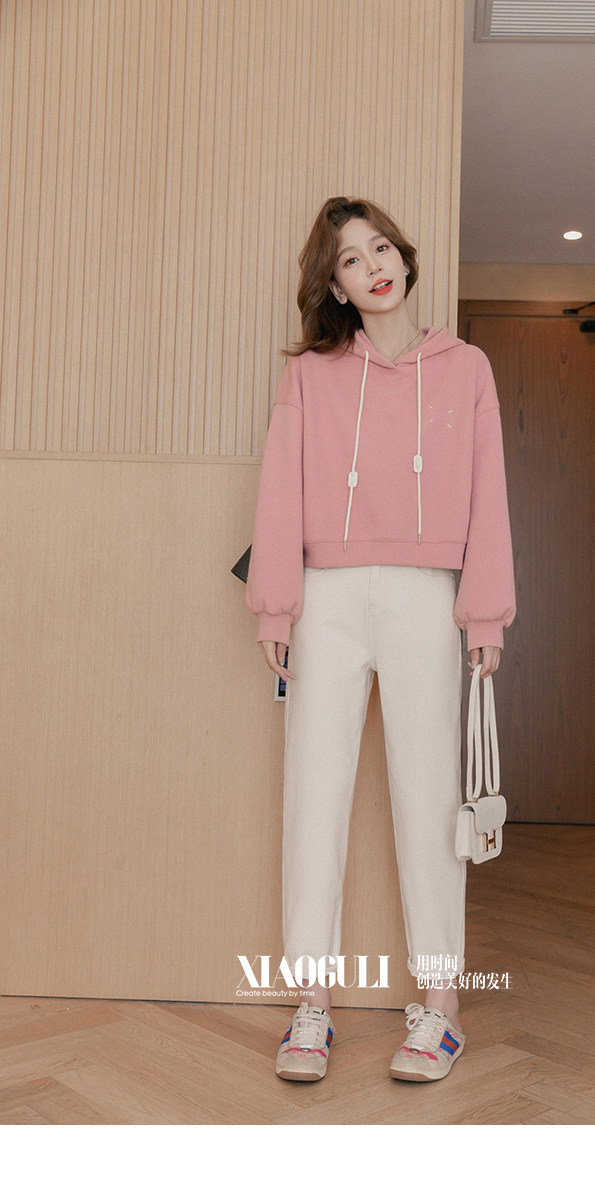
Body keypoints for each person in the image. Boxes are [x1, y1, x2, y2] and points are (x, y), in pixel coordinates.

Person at [246, 196, 515, 1083]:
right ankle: (311, 1004)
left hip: (426, 597)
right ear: (335, 286)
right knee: (313, 794)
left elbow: (488, 490)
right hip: (325, 596)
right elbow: (281, 487)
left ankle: (441, 1008)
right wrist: (276, 607)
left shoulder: (466, 368)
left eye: (381, 247)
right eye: (352, 259)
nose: (374, 266)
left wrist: (485, 612)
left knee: (430, 800)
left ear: (403, 255)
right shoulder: (311, 376)